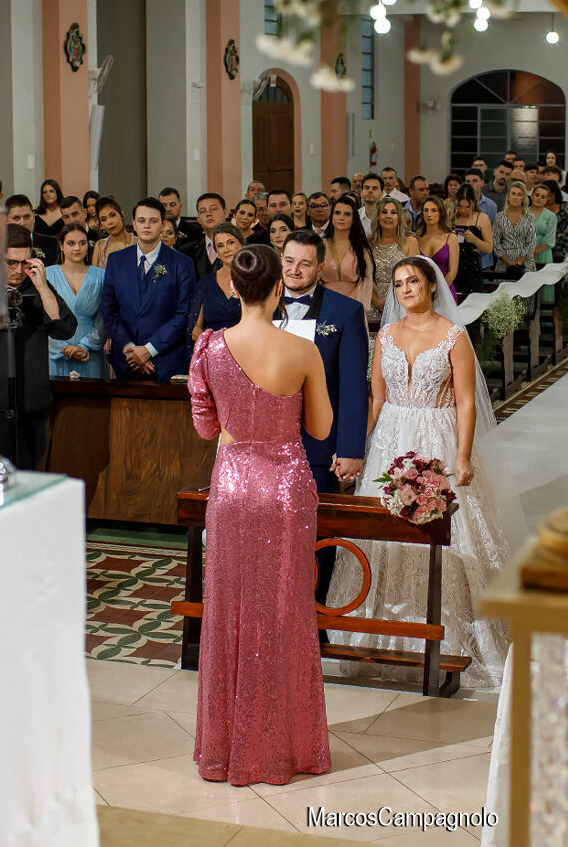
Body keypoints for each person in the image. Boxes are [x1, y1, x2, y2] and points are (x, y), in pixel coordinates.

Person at [329, 256, 517, 689]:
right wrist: (356, 448)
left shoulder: (453, 336)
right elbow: (376, 399)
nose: (405, 289)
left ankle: (451, 637)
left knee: (447, 531)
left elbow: (466, 401)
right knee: (383, 531)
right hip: (391, 438)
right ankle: (377, 636)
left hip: (438, 436)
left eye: (412, 281)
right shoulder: (386, 335)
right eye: (398, 284)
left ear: (432, 285)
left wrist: (463, 457)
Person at [187, 245, 332, 785]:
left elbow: (205, 427)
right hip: (286, 492)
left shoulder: (208, 348)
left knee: (227, 612)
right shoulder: (302, 351)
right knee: (285, 613)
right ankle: (283, 747)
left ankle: (227, 749)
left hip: (230, 488)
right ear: (277, 289)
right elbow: (320, 429)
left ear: (233, 288)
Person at [277, 230, 369, 605]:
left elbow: (353, 387)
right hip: (265, 444)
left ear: (320, 267)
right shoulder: (260, 304)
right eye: (289, 261)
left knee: (316, 536)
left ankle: (315, 615)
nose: (295, 270)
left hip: (318, 444)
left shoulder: (345, 312)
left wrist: (350, 449)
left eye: (304, 263)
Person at [0, 226, 76, 469]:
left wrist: (42, 287)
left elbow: (65, 329)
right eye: (10, 262)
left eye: (24, 263)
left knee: (30, 470)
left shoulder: (37, 286)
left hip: (32, 399)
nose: (17, 270)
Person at [102, 197, 197, 380]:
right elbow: (109, 309)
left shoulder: (182, 263)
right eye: (141, 220)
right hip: (126, 361)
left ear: (163, 225)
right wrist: (130, 349)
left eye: (153, 221)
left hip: (165, 361)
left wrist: (148, 350)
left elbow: (183, 314)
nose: (147, 225)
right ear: (134, 224)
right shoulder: (116, 260)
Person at [46, 223, 107, 379]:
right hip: (55, 352)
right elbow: (41, 320)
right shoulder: (46, 275)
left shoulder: (102, 276)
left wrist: (84, 346)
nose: (77, 248)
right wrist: (63, 349)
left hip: (90, 351)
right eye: (71, 243)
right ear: (61, 246)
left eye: (82, 243)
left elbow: (105, 318)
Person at [191, 223, 246, 339]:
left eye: (231, 243)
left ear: (242, 244)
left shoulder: (255, 280)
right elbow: (195, 330)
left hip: (247, 346)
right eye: (220, 246)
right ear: (217, 252)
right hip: (213, 347)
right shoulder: (206, 283)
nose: (226, 249)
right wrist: (215, 344)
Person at [320, 195, 374, 309]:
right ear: (332, 216)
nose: (341, 217)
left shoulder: (361, 248)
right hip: (324, 304)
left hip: (354, 306)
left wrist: (351, 307)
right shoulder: (320, 245)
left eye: (347, 214)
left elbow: (366, 282)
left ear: (354, 219)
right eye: (337, 213)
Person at [368, 199, 418, 321]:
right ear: (378, 216)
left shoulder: (410, 241)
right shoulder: (368, 242)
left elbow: (415, 277)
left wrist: (395, 300)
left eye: (393, 212)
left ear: (399, 217)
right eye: (384, 212)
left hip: (401, 302)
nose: (388, 216)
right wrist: (375, 300)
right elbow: (362, 276)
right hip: (373, 302)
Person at [415, 195, 460, 302]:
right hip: (421, 293)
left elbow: (453, 272)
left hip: (445, 292)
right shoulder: (416, 238)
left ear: (441, 213)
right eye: (426, 210)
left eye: (433, 210)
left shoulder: (451, 238)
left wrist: (437, 291)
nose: (429, 214)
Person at [452, 185, 493, 295]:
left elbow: (489, 248)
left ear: (474, 204)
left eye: (467, 207)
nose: (463, 210)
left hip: (471, 266)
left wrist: (475, 240)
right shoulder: (450, 216)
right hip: (453, 263)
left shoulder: (482, 218)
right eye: (460, 206)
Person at [1, 194, 61, 266]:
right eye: (16, 218)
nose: (22, 223)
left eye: (26, 217)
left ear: (33, 217)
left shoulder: (52, 244)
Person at [494, 182, 537, 278]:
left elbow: (531, 241)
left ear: (523, 198)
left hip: (525, 262)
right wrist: (509, 263)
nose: (515, 197)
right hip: (503, 262)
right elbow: (496, 242)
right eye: (513, 194)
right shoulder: (499, 217)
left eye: (519, 195)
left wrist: (519, 261)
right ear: (508, 197)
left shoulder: (530, 217)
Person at [90, 197, 135, 268]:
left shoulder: (139, 243)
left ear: (122, 214)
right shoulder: (99, 246)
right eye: (103, 219)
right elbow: (94, 274)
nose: (109, 222)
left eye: (112, 215)